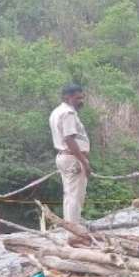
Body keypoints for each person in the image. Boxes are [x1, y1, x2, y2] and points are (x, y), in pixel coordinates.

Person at [49, 84, 91, 224]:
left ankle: (71, 226)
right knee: (75, 196)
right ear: (67, 97)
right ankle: (74, 233)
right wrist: (83, 161)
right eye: (77, 98)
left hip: (63, 157)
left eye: (82, 97)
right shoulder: (68, 113)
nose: (81, 101)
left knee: (70, 194)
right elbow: (69, 138)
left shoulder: (57, 111)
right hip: (72, 158)